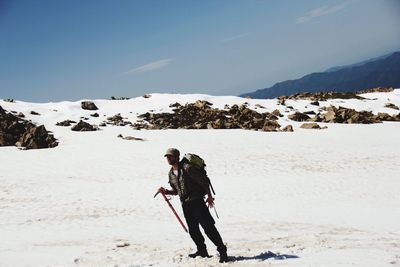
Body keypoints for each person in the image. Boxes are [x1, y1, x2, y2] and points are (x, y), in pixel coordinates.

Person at [157, 148, 228, 263]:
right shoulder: (171, 174)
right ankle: (202, 250)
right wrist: (166, 191)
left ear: (177, 157)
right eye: (167, 157)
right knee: (193, 230)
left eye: (170, 156)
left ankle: (222, 250)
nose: (168, 158)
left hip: (197, 202)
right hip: (185, 204)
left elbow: (204, 181)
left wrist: (209, 196)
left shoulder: (188, 168)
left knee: (208, 228)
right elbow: (176, 191)